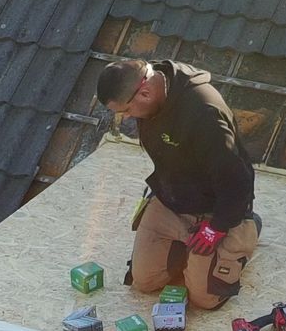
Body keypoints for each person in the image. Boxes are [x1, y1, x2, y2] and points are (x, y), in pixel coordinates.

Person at [96, 57, 260, 310]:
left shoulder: (204, 113)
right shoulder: (150, 90)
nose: (127, 118)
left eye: (125, 111)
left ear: (146, 92)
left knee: (204, 298)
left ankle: (247, 230)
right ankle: (187, 248)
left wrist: (216, 228)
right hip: (173, 198)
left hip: (215, 207)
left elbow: (238, 181)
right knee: (144, 281)